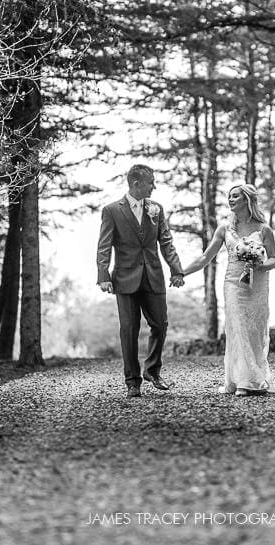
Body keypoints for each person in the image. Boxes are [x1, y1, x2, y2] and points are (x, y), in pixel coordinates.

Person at [181, 183, 275, 396]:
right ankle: (241, 381)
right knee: (237, 328)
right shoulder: (224, 229)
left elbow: (274, 260)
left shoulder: (264, 229)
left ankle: (254, 378)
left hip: (257, 286)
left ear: (247, 200)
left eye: (235, 196)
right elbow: (205, 258)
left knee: (255, 330)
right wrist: (181, 272)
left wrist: (260, 264)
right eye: (229, 197)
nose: (231, 200)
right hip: (234, 285)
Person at [97, 164, 185, 397]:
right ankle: (132, 381)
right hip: (124, 279)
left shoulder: (157, 209)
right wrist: (103, 276)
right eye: (151, 182)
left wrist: (176, 271)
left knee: (160, 324)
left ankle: (152, 370)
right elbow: (104, 246)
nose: (154, 186)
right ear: (136, 183)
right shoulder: (112, 210)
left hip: (153, 276)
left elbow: (166, 242)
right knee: (129, 329)